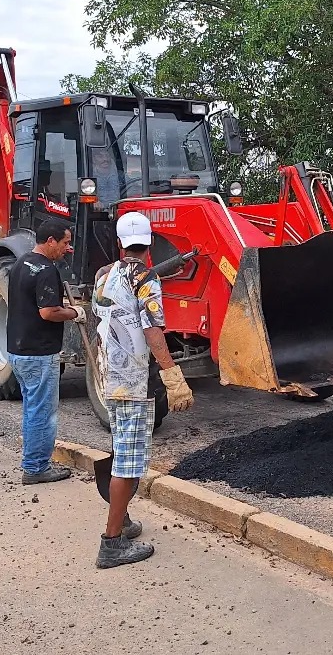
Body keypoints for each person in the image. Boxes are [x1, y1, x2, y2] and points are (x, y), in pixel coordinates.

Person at [91, 212, 196, 568]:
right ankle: (111, 543)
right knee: (129, 462)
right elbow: (153, 330)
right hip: (134, 381)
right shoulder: (147, 278)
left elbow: (103, 314)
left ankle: (122, 519)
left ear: (120, 242)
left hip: (108, 374)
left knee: (121, 449)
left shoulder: (103, 275)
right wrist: (172, 374)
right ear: (149, 244)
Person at [7, 218, 83, 485]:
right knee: (42, 413)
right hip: (39, 353)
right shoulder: (46, 270)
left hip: (18, 350)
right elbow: (48, 312)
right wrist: (75, 312)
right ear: (50, 241)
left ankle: (32, 462)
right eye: (65, 242)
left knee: (32, 409)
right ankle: (36, 468)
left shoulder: (21, 263)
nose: (67, 248)